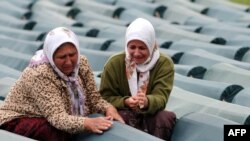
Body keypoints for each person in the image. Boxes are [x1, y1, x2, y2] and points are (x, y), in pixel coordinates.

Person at [0, 27, 124, 141]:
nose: (69, 62)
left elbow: (94, 99)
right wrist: (87, 123)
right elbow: (57, 117)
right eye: (62, 57)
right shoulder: (40, 74)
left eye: (72, 55)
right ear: (51, 55)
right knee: (55, 133)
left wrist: (108, 108)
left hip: (53, 116)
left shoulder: (82, 64)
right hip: (19, 118)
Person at [99, 18, 176, 141]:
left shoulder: (164, 63)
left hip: (151, 112)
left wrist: (146, 101)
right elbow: (105, 97)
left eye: (142, 48)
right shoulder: (115, 63)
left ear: (151, 45)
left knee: (164, 118)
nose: (136, 53)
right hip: (124, 111)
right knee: (120, 117)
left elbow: (161, 97)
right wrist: (125, 102)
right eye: (132, 47)